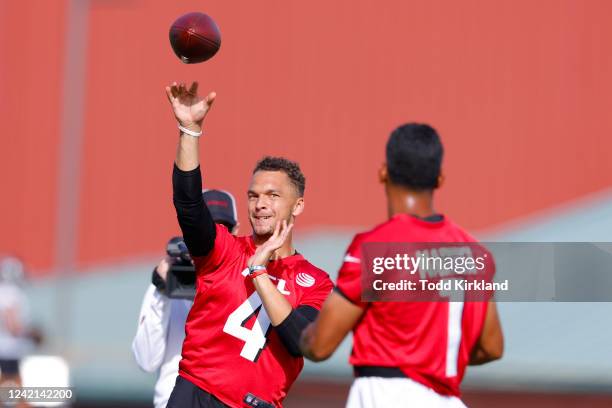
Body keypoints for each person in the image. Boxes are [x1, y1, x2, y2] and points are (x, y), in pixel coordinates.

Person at [299, 124, 504, 408]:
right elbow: (492, 347)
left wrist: (295, 333)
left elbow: (320, 345)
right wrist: (430, 355)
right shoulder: (476, 254)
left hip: (385, 395)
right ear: (440, 178)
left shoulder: (376, 247)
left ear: (383, 172)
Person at [163, 81, 333, 408]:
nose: (260, 205)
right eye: (253, 196)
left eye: (273, 196)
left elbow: (300, 340)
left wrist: (258, 271)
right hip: (195, 394)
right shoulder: (224, 250)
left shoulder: (317, 281)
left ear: (297, 205)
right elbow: (188, 204)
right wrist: (189, 131)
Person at [132, 189, 239, 408]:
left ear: (236, 231)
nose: (215, 237)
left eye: (224, 229)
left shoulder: (248, 281)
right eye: (207, 228)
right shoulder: (172, 278)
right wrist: (162, 291)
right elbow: (146, 360)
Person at [0, 256, 38, 388]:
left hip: (6, 350)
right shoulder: (11, 293)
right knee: (11, 393)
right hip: (8, 351)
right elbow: (13, 326)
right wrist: (31, 333)